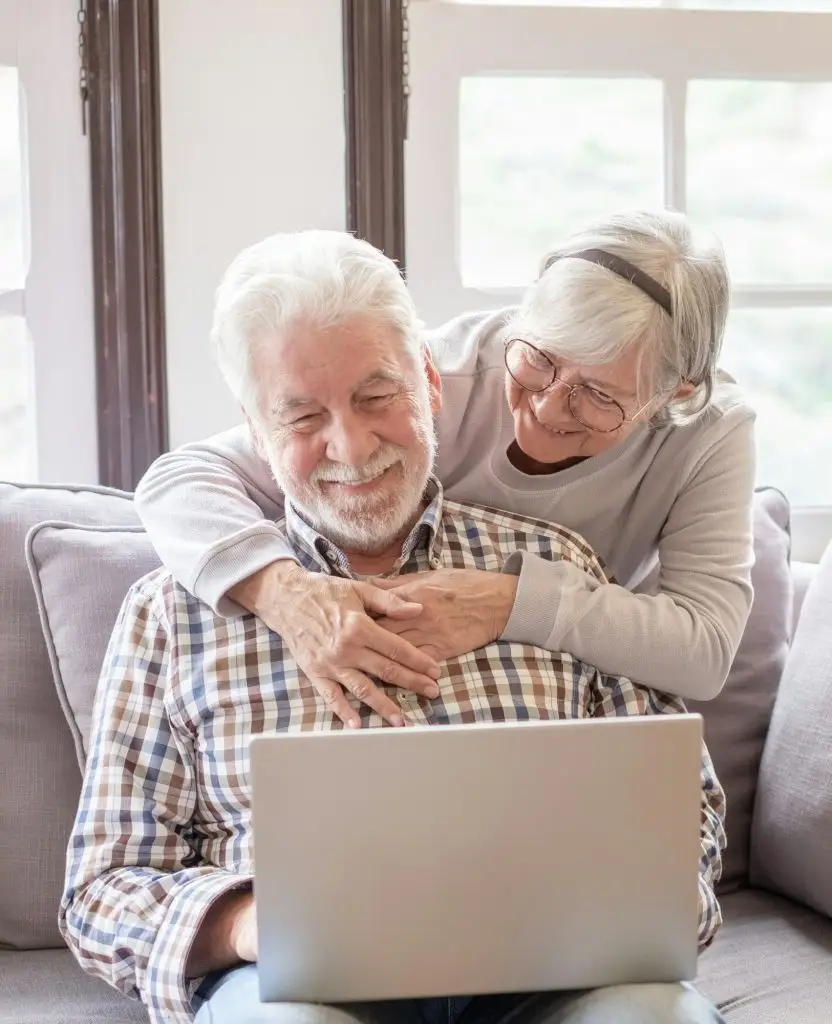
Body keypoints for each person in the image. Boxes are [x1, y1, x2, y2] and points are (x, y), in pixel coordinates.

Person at [61, 231, 727, 1024]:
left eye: (378, 397)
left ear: (430, 383)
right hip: (302, 991)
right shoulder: (169, 615)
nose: (351, 445)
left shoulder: (554, 567)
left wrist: (643, 904)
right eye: (303, 415)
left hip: (553, 976)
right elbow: (101, 890)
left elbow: (689, 806)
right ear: (254, 426)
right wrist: (244, 925)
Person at [134, 211, 756, 728]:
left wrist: (509, 602)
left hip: (564, 688)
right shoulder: (424, 382)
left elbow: (703, 650)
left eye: (597, 395)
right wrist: (286, 593)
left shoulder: (711, 432)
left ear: (676, 393)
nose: (543, 408)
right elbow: (179, 481)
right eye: (537, 359)